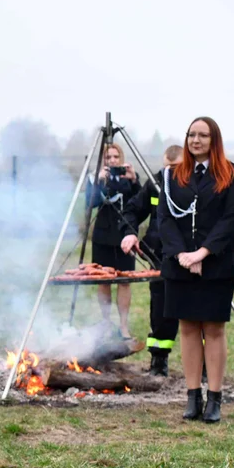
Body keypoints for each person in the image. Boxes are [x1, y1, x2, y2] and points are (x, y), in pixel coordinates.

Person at [157, 117, 234, 423]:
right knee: (188, 328)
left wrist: (201, 254)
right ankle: (193, 396)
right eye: (192, 135)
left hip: (216, 264)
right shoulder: (170, 175)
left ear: (214, 139)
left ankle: (215, 399)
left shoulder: (232, 173)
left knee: (214, 328)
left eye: (203, 135)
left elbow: (231, 220)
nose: (196, 140)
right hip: (180, 264)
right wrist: (183, 254)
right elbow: (165, 220)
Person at [120, 145, 184, 376]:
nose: (172, 173)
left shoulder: (198, 184)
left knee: (196, 311)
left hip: (190, 257)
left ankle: (206, 365)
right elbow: (133, 210)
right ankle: (159, 361)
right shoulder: (156, 184)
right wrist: (129, 232)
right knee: (161, 310)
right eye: (168, 168)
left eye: (177, 168)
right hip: (159, 257)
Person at [87, 143, 141, 338]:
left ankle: (124, 326)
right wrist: (99, 182)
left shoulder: (129, 177)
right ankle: (105, 323)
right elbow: (90, 204)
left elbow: (140, 203)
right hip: (103, 236)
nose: (112, 161)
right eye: (108, 157)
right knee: (104, 281)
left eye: (115, 157)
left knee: (124, 281)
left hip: (125, 236)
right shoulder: (94, 177)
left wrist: (134, 180)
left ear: (121, 158)